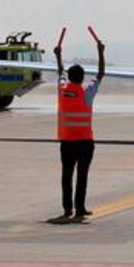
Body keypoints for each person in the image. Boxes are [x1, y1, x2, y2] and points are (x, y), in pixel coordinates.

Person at [49, 34, 105, 224]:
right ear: (81, 78)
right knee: (82, 176)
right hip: (85, 143)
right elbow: (100, 74)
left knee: (66, 176)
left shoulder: (63, 90)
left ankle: (67, 209)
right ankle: (79, 208)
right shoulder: (86, 93)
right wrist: (100, 52)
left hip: (67, 142)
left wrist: (58, 55)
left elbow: (60, 73)